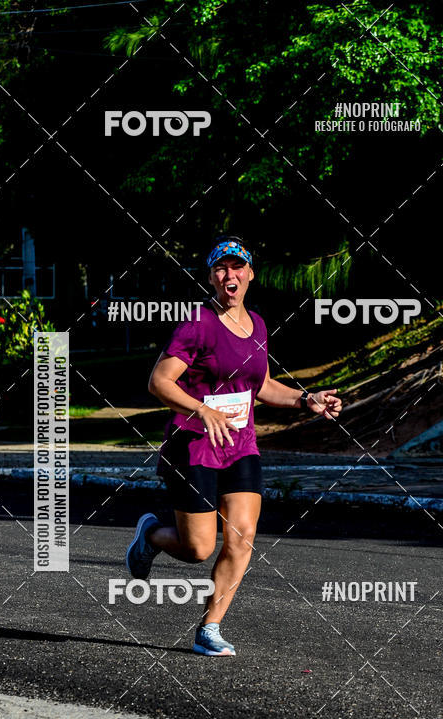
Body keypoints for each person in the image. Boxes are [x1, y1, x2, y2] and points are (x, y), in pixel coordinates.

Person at [126, 235, 342, 655]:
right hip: (194, 446)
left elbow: (261, 384)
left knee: (242, 536)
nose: (230, 274)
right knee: (198, 548)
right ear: (211, 277)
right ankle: (151, 535)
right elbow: (159, 382)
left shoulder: (257, 325)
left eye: (237, 266)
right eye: (221, 267)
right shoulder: (198, 324)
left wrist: (306, 399)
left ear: (250, 274)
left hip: (241, 445)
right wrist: (201, 410)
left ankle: (209, 628)